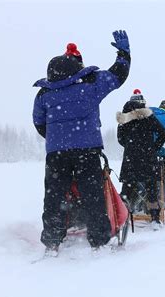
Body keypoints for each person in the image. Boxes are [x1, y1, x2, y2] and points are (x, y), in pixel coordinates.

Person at [32, 30, 131, 255]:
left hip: (57, 153)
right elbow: (119, 75)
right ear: (78, 66)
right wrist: (124, 53)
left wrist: (57, 138)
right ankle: (98, 240)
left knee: (55, 196)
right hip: (86, 150)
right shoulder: (91, 84)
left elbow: (38, 122)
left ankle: (52, 241)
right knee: (92, 194)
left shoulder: (44, 94)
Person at [117, 90, 165, 230]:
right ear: (143, 103)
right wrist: (153, 147)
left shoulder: (124, 118)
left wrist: (129, 146)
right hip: (148, 157)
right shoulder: (148, 116)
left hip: (130, 159)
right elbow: (163, 133)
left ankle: (122, 219)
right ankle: (155, 219)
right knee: (151, 189)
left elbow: (120, 138)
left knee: (127, 189)